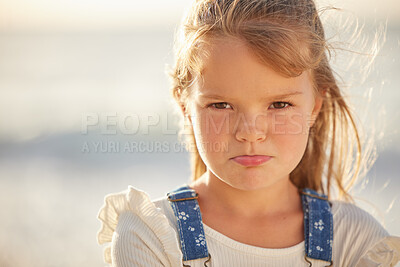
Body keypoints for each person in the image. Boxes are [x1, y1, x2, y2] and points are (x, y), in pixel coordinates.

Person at [97, 0, 400, 266]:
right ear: (185, 107)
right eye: (221, 105)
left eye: (279, 104)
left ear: (314, 109)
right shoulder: (151, 237)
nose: (250, 133)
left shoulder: (356, 241)